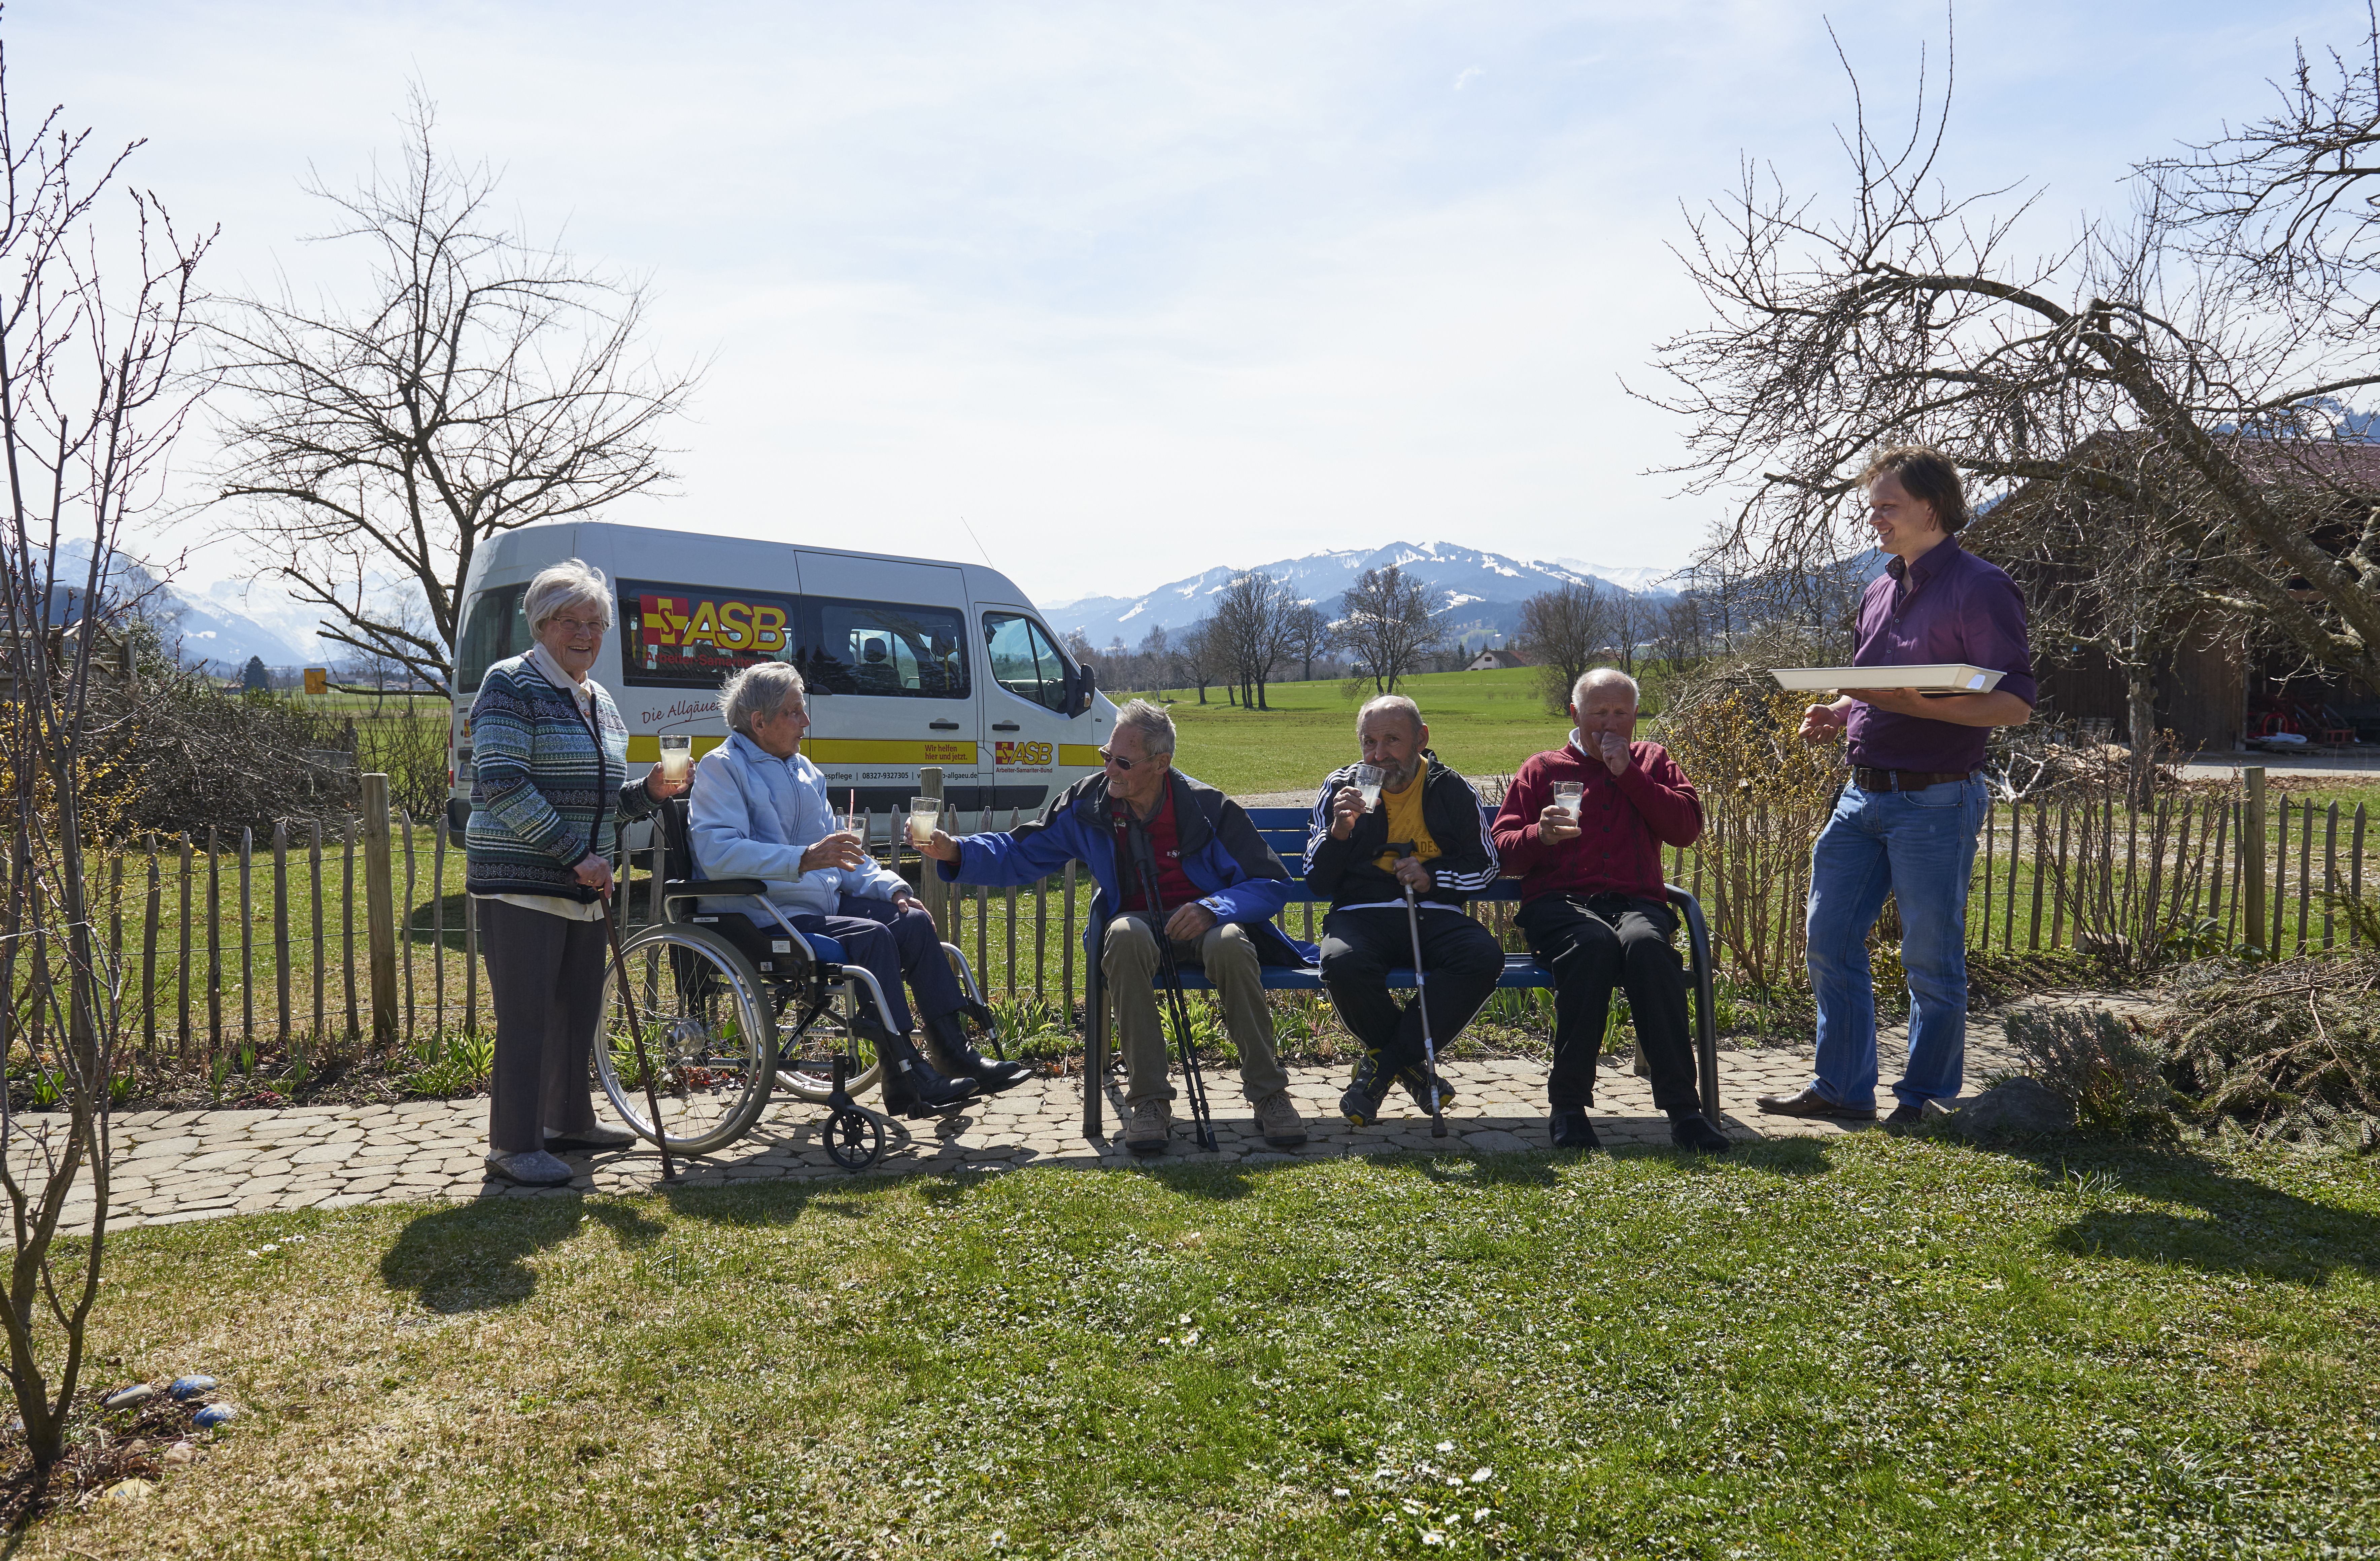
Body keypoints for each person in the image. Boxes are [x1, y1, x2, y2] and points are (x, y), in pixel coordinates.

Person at [1759, 445, 2036, 1128]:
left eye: (1887, 504)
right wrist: (1840, 710)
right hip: (1861, 795)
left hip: (1936, 798)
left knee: (1929, 957)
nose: (1873, 515)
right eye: (1873, 503)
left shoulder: (1980, 587)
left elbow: (2013, 703)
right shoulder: (1879, 587)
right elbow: (1880, 687)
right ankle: (1843, 1087)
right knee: (1827, 937)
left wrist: (1924, 709)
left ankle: (1922, 1097)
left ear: (1931, 507)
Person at [918, 700, 1313, 1155]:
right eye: (1106, 756)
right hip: (1137, 924)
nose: (1110, 770)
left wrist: (1213, 907)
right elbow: (1020, 852)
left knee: (1230, 943)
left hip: (1206, 922)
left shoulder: (1208, 807)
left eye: (1122, 762)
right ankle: (1148, 1103)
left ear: (1160, 764)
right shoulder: (1089, 803)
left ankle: (1269, 1096)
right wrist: (956, 853)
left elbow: (1270, 882)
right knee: (1123, 935)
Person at [687, 661, 1023, 1118]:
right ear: (759, 723)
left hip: (816, 903)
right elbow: (717, 852)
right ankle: (906, 1075)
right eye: (794, 713)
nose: (806, 722)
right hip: (762, 912)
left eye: (803, 711)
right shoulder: (721, 768)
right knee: (872, 938)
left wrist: (891, 888)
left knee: (913, 921)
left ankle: (955, 1054)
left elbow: (843, 854)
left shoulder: (805, 771)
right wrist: (802, 858)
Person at [467, 558, 688, 1187]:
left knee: (576, 1010)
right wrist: (573, 853)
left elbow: (602, 805)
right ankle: (513, 1144)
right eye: (571, 621)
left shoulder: (599, 699)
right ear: (542, 624)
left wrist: (650, 791)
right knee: (529, 1013)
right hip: (523, 881)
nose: (586, 633)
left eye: (596, 622)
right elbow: (504, 784)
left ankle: (567, 1123)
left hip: (583, 881)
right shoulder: (510, 684)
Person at [1491, 669, 1726, 1152]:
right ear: (1576, 714)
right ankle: (1569, 1107)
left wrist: (1632, 777)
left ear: (1636, 716)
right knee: (1592, 947)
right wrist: (1541, 834)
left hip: (1636, 902)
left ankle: (1684, 1111)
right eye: (1600, 712)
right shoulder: (1542, 768)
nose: (1610, 724)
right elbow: (1502, 850)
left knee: (1648, 950)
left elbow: (1684, 828)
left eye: (1621, 713)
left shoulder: (1653, 760)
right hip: (1560, 906)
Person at [1306, 694, 1504, 1127]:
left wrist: (1434, 877)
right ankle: (1412, 1069)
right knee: (1342, 964)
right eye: (1368, 742)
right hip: (1360, 913)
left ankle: (1384, 1067)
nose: (1378, 755)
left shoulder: (1451, 788)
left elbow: (1485, 865)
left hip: (1435, 913)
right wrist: (1339, 832)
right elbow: (1317, 881)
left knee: (1482, 956)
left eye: (1392, 740)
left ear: (1421, 738)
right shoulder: (1341, 787)